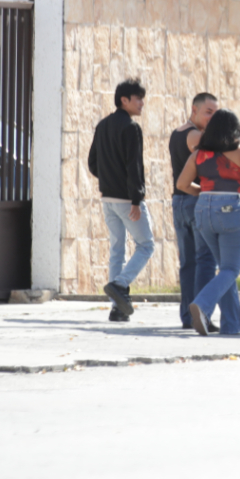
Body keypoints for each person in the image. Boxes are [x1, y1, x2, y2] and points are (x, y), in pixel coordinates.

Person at [175, 109, 240, 335]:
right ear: (234, 130)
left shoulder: (198, 155)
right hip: (231, 209)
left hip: (203, 211)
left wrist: (206, 195)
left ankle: (232, 325)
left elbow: (183, 185)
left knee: (225, 271)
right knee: (230, 269)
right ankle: (203, 305)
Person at [88, 79, 154, 322]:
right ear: (124, 100)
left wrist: (108, 180)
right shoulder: (131, 128)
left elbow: (92, 163)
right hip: (128, 201)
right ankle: (121, 285)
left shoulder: (103, 125)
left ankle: (117, 308)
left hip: (108, 199)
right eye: (138, 99)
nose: (142, 103)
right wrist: (136, 199)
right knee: (146, 245)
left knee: (117, 249)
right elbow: (134, 166)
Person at [170, 92, 236, 330]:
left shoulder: (176, 132)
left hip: (178, 202)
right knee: (205, 260)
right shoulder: (196, 136)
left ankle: (188, 316)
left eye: (216, 113)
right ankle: (203, 312)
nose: (212, 117)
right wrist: (204, 192)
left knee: (188, 263)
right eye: (208, 112)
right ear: (194, 110)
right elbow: (214, 161)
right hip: (193, 201)